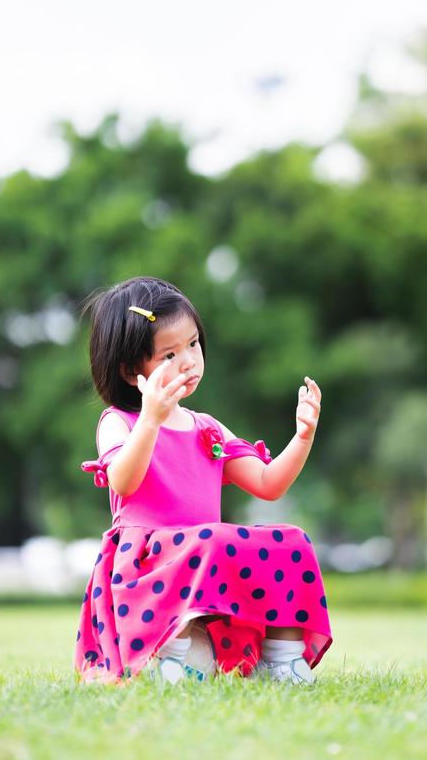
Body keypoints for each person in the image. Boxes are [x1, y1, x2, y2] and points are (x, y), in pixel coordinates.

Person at [74, 276, 332, 687]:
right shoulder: (119, 423)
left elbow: (268, 484)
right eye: (169, 355)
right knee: (209, 539)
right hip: (146, 566)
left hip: (201, 553)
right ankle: (167, 658)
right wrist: (151, 420)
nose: (189, 362)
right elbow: (123, 481)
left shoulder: (206, 428)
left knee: (292, 540)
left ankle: (280, 659)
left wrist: (302, 437)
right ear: (129, 371)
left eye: (193, 344)